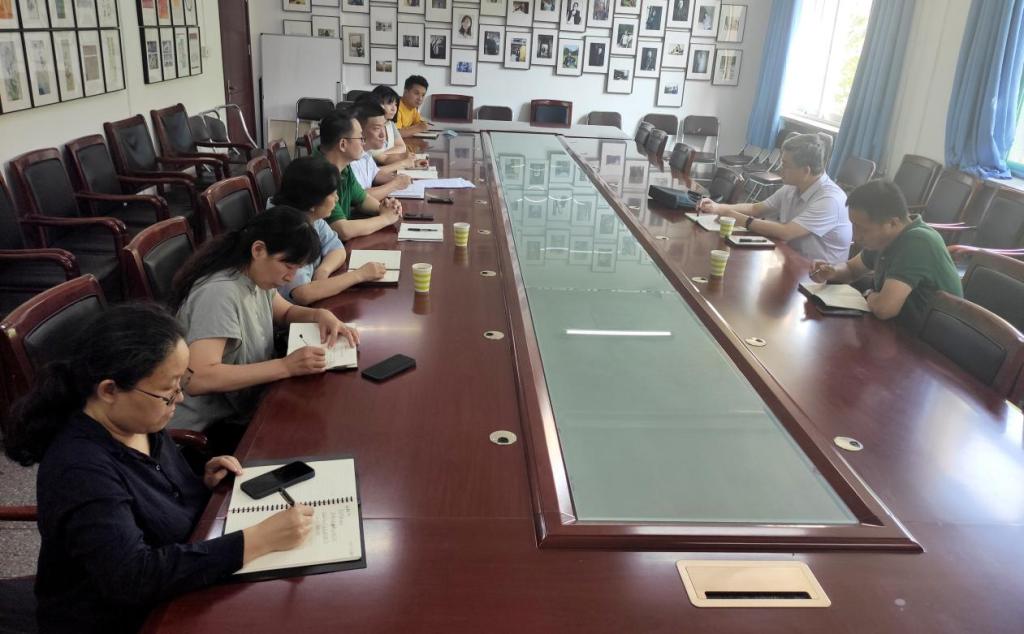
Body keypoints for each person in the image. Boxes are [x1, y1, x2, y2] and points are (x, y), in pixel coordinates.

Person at [1, 304, 314, 633]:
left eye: (180, 382)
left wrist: (200, 483)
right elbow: (132, 578)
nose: (179, 398)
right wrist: (255, 541)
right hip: (120, 617)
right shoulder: (80, 469)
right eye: (168, 390)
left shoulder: (137, 420)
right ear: (109, 390)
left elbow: (153, 496)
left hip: (179, 574)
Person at [168, 208, 359, 444]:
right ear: (258, 250)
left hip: (251, 400)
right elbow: (199, 378)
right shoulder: (219, 293)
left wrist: (319, 315)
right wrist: (286, 366)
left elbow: (285, 312)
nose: (291, 277)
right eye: (288, 265)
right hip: (211, 427)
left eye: (297, 268)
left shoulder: (255, 275)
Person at [809, 180, 963, 328]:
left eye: (863, 229)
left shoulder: (918, 241)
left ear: (892, 223)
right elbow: (851, 269)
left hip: (930, 340)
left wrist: (869, 294)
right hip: (899, 329)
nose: (856, 236)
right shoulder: (884, 238)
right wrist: (832, 271)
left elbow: (885, 309)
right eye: (853, 226)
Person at [698, 134, 852, 264]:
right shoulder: (793, 186)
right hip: (789, 259)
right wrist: (718, 207)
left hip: (816, 277)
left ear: (806, 171)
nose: (779, 169)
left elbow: (786, 232)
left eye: (785, 165)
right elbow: (756, 209)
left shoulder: (830, 200)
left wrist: (744, 220)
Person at [271, 156, 388, 305]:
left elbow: (337, 248)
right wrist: (359, 275)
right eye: (332, 194)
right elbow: (302, 294)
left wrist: (323, 271)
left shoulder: (310, 215)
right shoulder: (286, 230)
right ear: (312, 201)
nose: (337, 199)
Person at [314, 110, 404, 239]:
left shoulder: (344, 167)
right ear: (343, 144)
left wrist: (386, 208)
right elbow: (342, 230)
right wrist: (386, 219)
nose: (364, 142)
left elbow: (362, 200)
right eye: (360, 138)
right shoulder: (318, 174)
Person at [351, 102, 429, 198]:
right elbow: (358, 196)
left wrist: (398, 179)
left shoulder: (365, 154)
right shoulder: (350, 159)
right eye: (377, 128)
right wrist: (394, 185)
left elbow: (374, 174)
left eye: (383, 127)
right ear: (359, 130)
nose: (383, 135)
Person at [364, 85, 410, 161]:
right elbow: (381, 159)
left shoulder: (390, 124)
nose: (394, 109)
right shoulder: (368, 126)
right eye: (389, 103)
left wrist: (384, 154)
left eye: (395, 104)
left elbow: (402, 147)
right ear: (378, 104)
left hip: (388, 163)